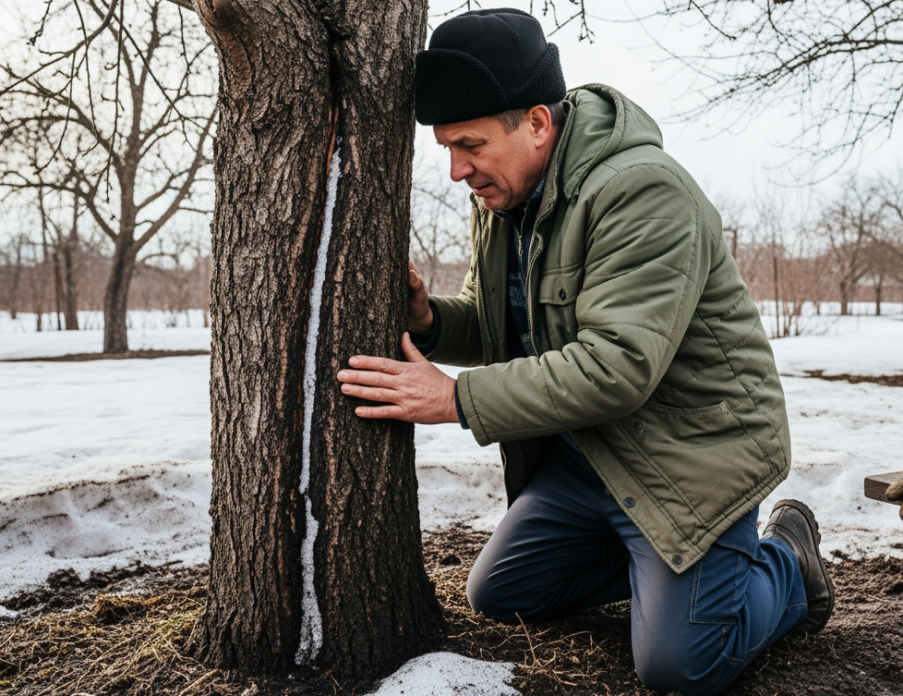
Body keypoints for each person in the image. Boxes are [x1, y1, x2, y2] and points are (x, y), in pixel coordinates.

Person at [335, 8, 833, 694]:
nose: (457, 171)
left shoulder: (641, 191)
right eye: (447, 148)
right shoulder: (504, 202)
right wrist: (428, 320)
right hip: (592, 458)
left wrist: (453, 398)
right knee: (501, 594)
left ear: (538, 123)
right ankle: (658, 572)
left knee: (678, 666)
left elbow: (618, 365)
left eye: (470, 144)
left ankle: (786, 564)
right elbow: (500, 325)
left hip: (689, 458)